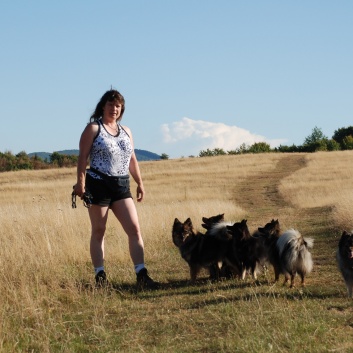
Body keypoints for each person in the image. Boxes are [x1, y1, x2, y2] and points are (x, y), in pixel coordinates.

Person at [73, 89, 158, 290]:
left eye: (118, 106)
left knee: (134, 229)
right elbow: (82, 157)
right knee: (99, 230)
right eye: (111, 105)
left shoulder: (126, 131)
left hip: (121, 186)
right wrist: (80, 182)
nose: (114, 109)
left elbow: (133, 159)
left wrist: (140, 183)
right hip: (98, 185)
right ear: (103, 106)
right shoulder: (93, 129)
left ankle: (141, 273)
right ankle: (100, 276)